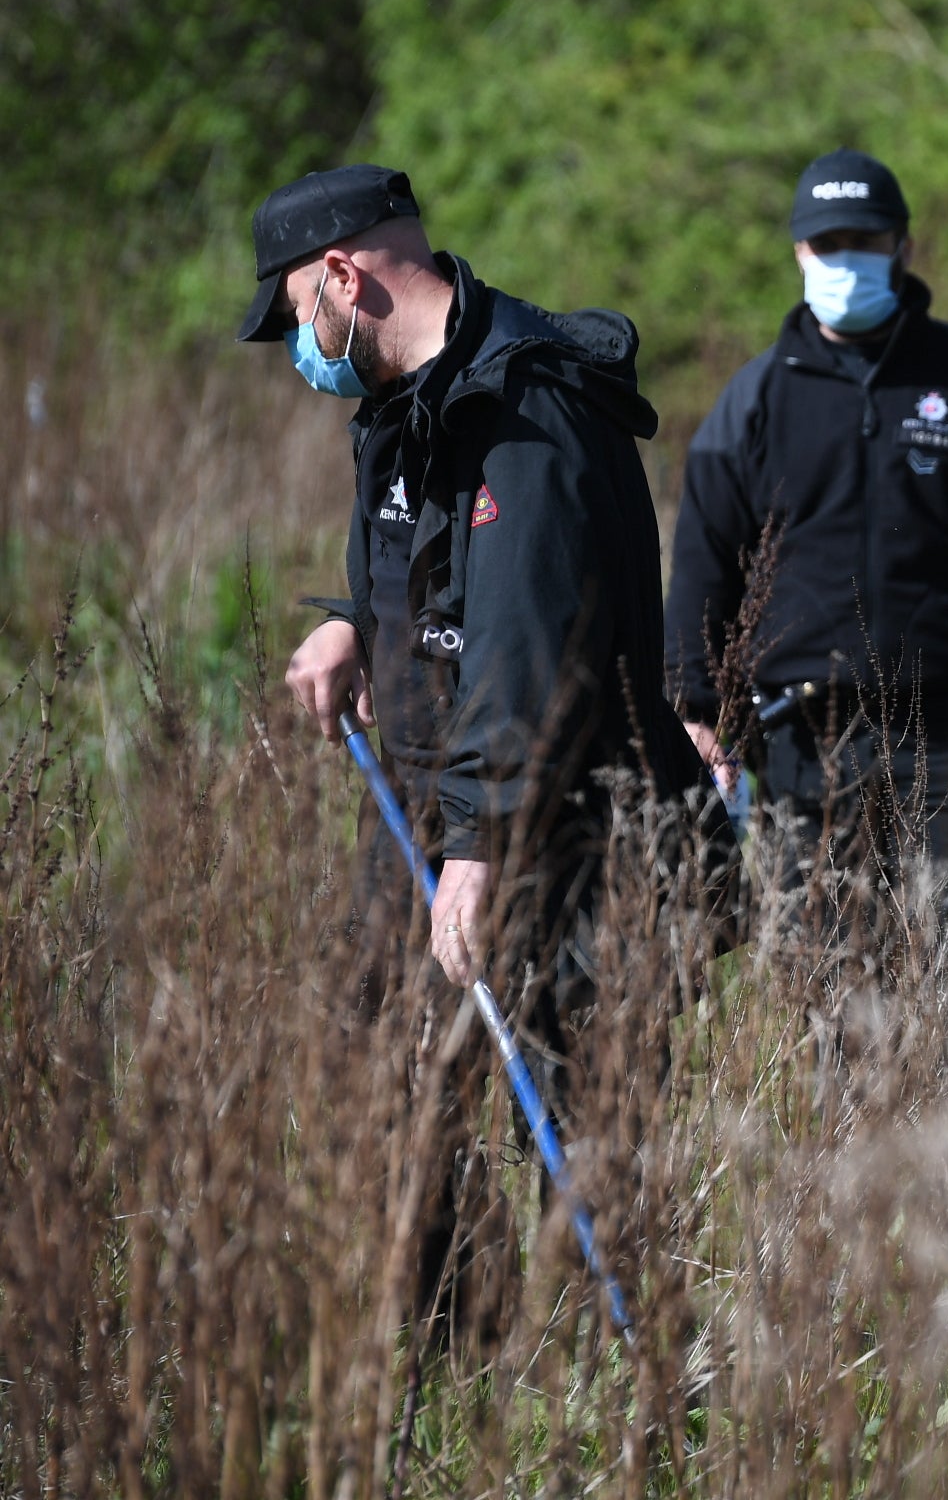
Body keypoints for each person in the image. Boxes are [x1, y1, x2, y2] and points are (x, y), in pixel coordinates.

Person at [242, 162, 707, 1336]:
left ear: (345, 275)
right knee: (385, 1075)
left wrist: (482, 845)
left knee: (578, 1107)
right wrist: (353, 615)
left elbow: (527, 637)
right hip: (427, 808)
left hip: (551, 825)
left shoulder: (527, 406)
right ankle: (459, 1348)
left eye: (301, 306)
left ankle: (644, 1373)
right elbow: (425, 570)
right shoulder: (402, 407)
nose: (301, 339)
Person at [666, 149, 948, 975]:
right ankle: (844, 1114)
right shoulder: (755, 401)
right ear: (799, 253)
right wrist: (696, 706)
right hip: (800, 745)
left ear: (902, 247)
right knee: (829, 993)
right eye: (828, 244)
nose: (846, 260)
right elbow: (702, 563)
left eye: (864, 240)